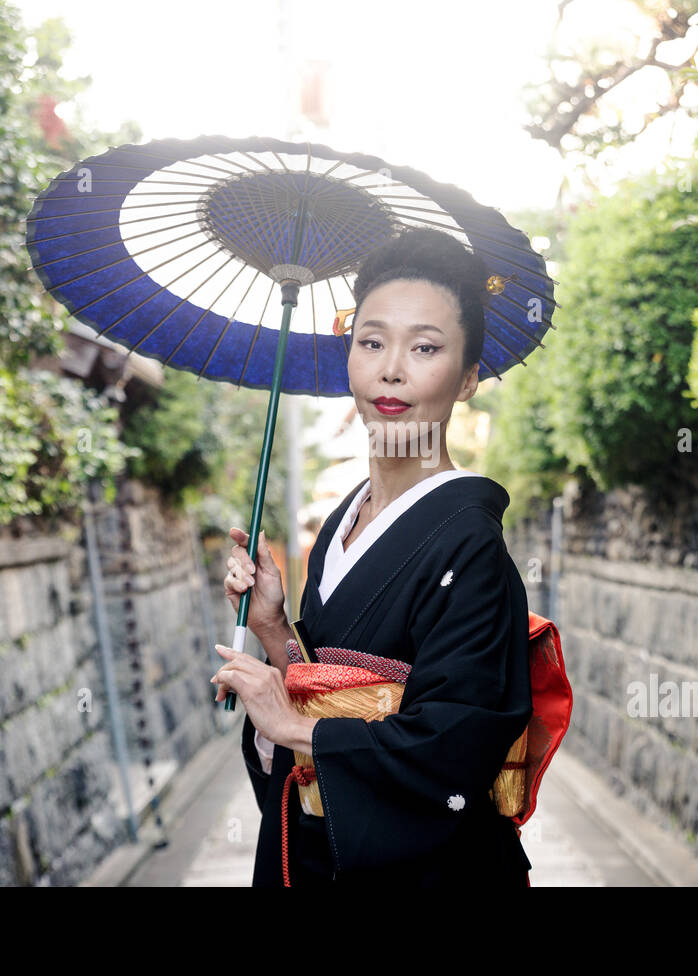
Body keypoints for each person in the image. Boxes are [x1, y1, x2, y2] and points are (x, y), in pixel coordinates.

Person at [211, 228, 533, 887]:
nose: (392, 369)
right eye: (372, 341)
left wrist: (299, 733)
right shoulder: (343, 522)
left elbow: (453, 749)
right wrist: (273, 629)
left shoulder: (470, 543)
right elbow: (323, 684)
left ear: (468, 378)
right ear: (350, 358)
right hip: (323, 851)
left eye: (425, 347)